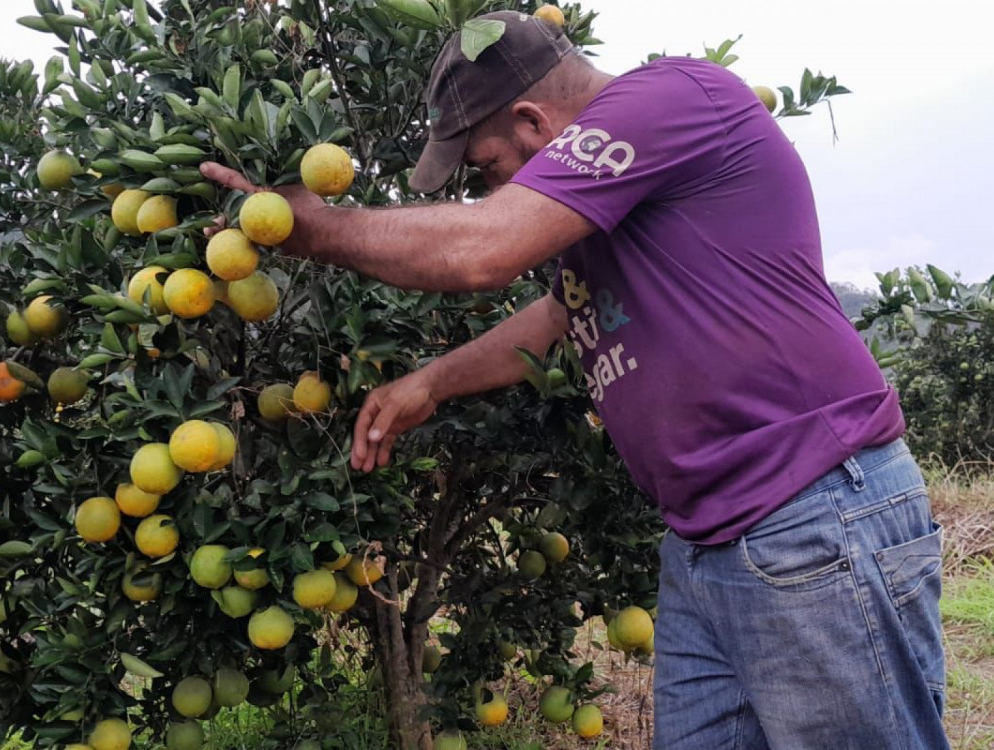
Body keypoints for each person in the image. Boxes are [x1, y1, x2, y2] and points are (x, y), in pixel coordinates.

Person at [201, 10, 948, 749]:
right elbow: (561, 313)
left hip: (810, 507)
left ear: (532, 121)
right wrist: (431, 382)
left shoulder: (672, 96)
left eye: (486, 165)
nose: (489, 185)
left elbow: (485, 248)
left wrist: (317, 230)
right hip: (708, 537)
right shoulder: (610, 210)